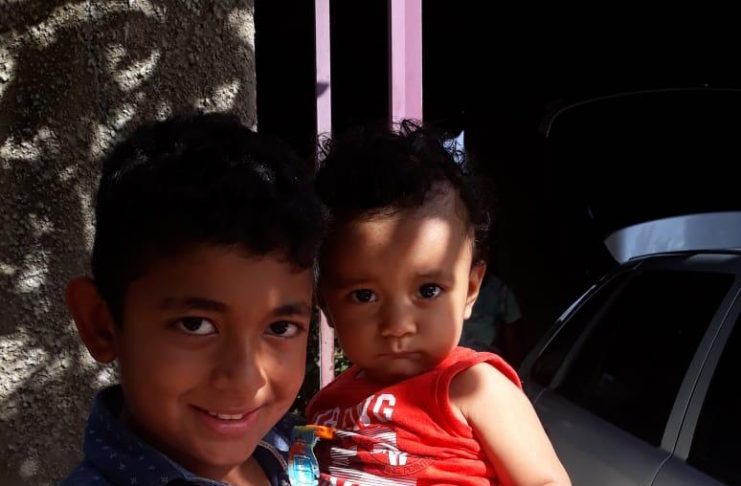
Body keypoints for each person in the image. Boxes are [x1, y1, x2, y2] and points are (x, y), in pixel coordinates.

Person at [62, 113, 326, 485]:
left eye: (280, 328)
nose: (245, 379)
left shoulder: (288, 446)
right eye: (195, 325)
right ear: (101, 325)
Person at [305, 121, 570, 485]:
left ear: (471, 289)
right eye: (364, 295)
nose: (398, 325)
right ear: (326, 305)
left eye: (428, 290)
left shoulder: (474, 388)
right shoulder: (326, 405)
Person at [460, 273, 524, 364]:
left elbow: (512, 338)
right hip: (458, 353)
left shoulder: (501, 291)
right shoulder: (457, 287)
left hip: (486, 355)